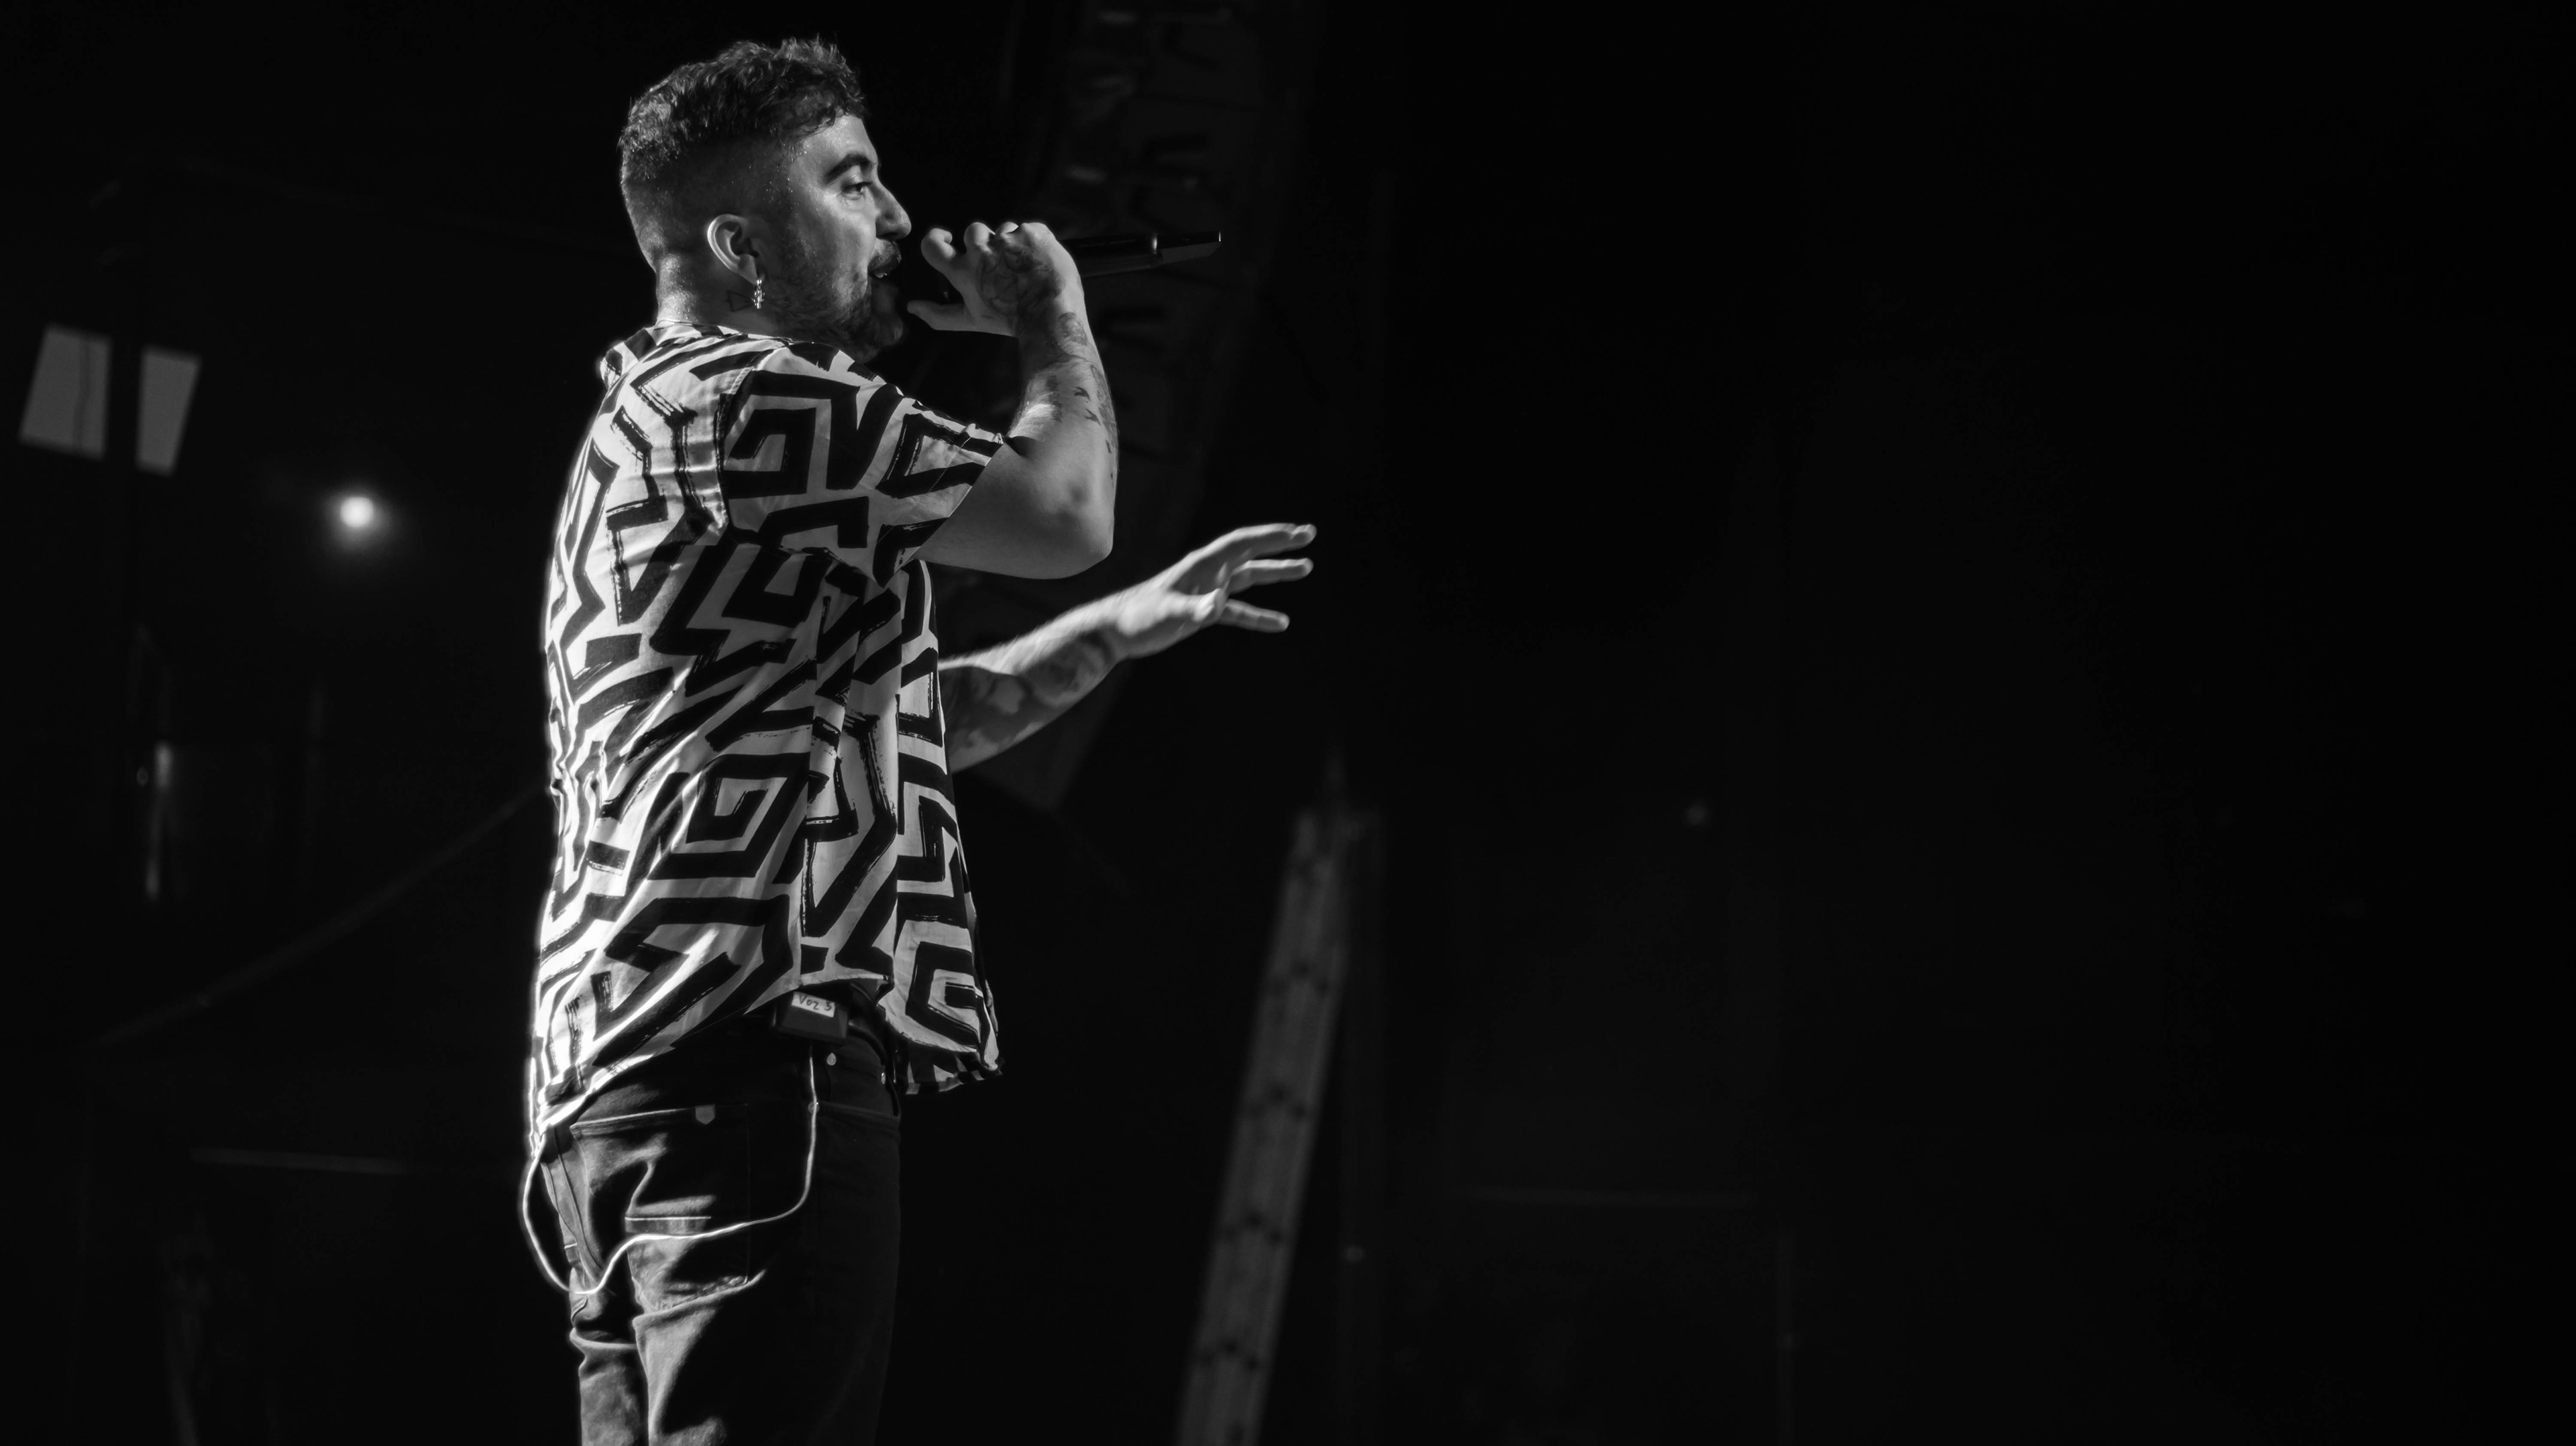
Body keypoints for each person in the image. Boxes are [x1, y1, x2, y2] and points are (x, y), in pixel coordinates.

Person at [520, 38, 1312, 1444]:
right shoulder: (741, 398)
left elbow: (916, 734)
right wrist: (1051, 315)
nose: (896, 218)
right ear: (740, 248)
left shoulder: (654, 427)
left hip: (635, 1096)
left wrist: (1119, 631)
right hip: (751, 1068)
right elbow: (1065, 511)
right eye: (852, 183)